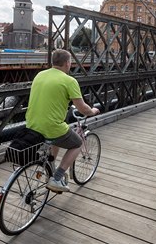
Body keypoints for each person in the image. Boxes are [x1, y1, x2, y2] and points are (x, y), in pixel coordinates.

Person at [25, 49, 100, 193]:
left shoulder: (39, 75)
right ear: (67, 63)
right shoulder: (69, 80)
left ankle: (50, 168)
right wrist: (92, 111)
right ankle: (57, 177)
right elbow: (82, 108)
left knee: (58, 136)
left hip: (31, 125)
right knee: (77, 143)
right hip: (51, 127)